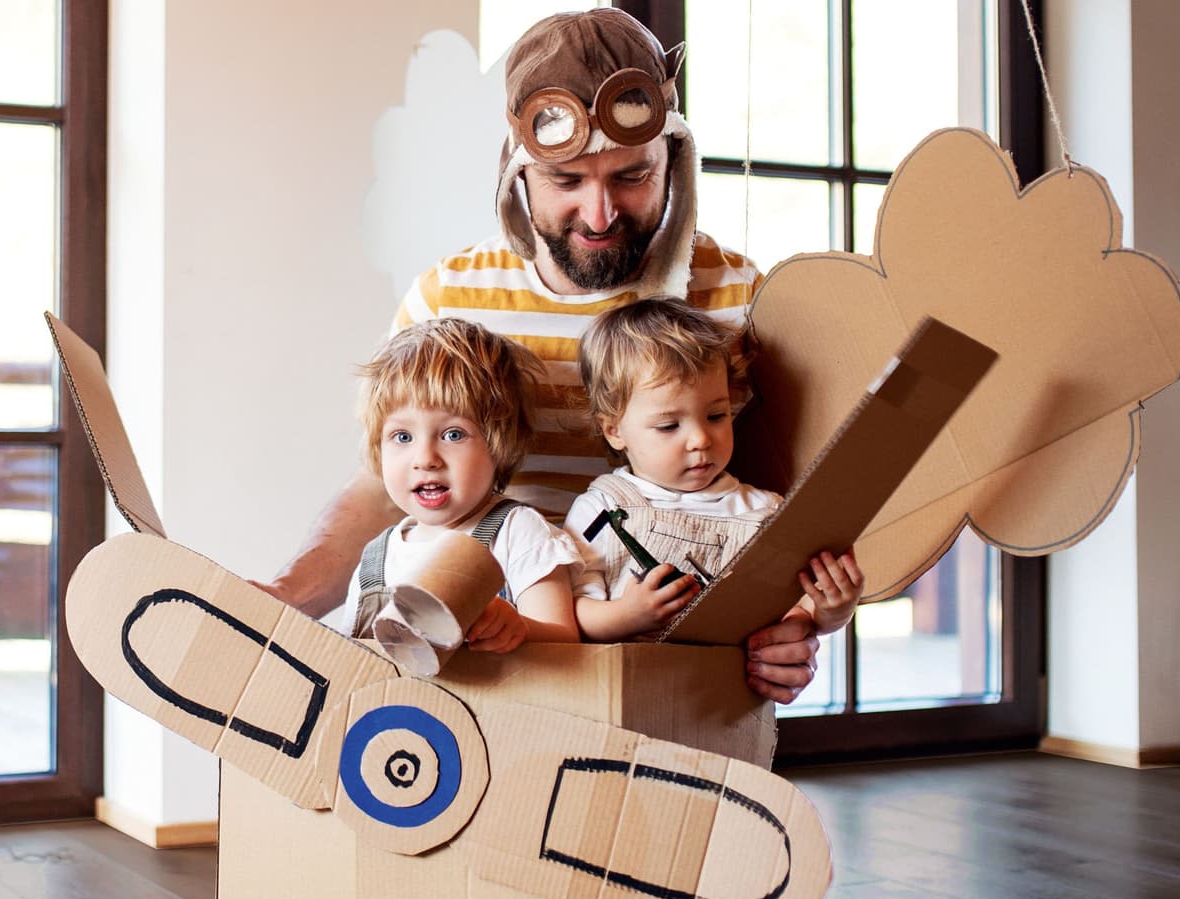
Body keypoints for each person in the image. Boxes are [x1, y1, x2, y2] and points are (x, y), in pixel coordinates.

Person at [261, 8, 821, 701]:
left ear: (671, 158)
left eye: (630, 177)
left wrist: (792, 631)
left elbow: (782, 506)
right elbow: (386, 485)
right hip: (492, 660)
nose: (599, 213)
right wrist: (285, 596)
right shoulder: (450, 297)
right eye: (566, 182)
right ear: (517, 171)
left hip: (678, 668)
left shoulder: (737, 293)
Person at [566, 298, 863, 642]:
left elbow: (795, 612)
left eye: (716, 416)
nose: (700, 439)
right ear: (614, 430)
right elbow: (574, 611)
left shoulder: (766, 513)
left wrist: (832, 611)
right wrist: (628, 616)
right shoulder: (600, 508)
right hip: (633, 687)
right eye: (668, 426)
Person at [343, 318, 582, 653]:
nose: (425, 458)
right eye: (402, 437)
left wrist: (519, 628)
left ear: (498, 444)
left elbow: (567, 639)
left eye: (452, 435)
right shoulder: (375, 561)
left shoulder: (517, 531)